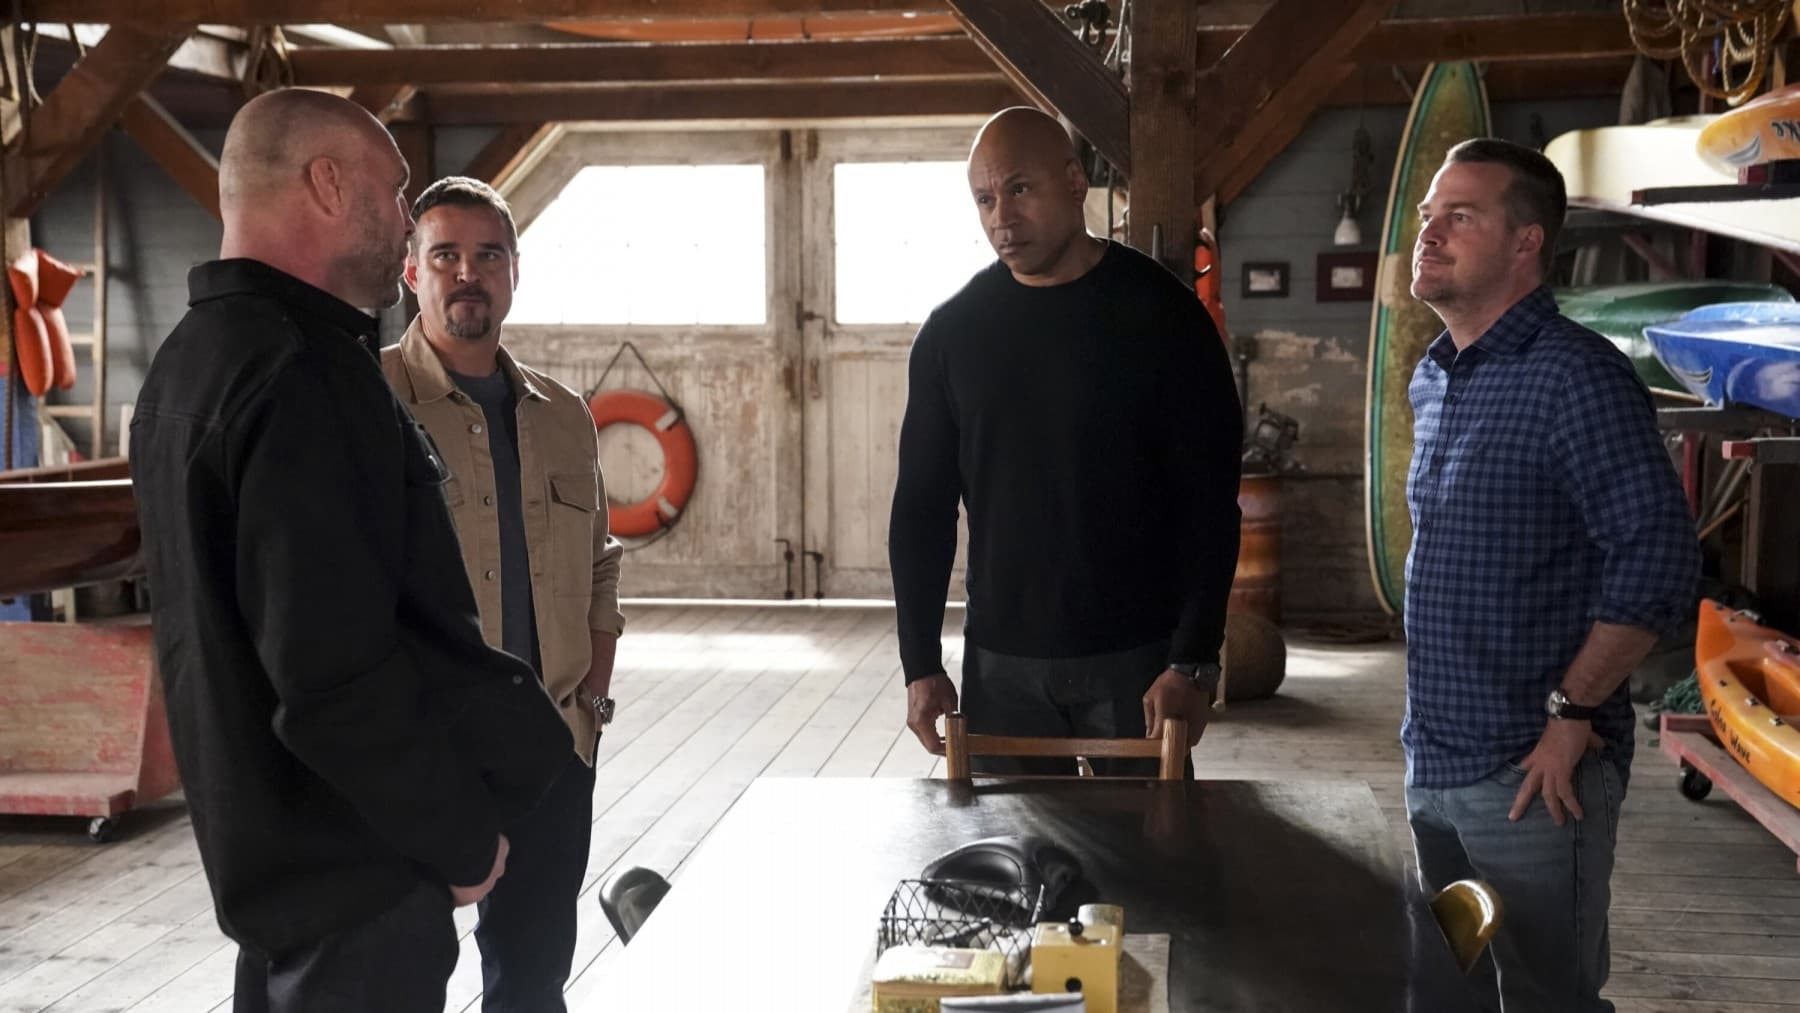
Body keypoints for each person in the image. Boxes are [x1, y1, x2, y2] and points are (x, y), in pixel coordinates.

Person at [130, 89, 570, 1013]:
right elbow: (333, 674)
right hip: (358, 881)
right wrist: (458, 836)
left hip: (274, 872)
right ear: (328, 184)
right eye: (395, 189)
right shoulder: (303, 376)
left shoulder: (190, 362)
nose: (406, 218)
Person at [1401, 138, 1699, 1011]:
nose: (1429, 233)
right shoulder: (1436, 375)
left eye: (1460, 216)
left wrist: (1573, 713)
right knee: (1449, 990)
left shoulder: (1578, 377)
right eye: (1428, 215)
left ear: (1526, 241)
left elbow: (1658, 558)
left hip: (1531, 776)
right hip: (1434, 765)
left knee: (1544, 998)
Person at [889, 107, 1242, 774]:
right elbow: (921, 511)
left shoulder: (1165, 317)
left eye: (1020, 189)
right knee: (1005, 842)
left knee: (1152, 842)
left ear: (1076, 182)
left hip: (1139, 658)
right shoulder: (952, 335)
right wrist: (920, 663)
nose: (1002, 217)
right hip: (1003, 664)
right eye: (985, 199)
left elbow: (1209, 503)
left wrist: (1193, 659)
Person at [384, 176, 625, 1011]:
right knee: (398, 978)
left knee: (533, 980)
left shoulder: (564, 415)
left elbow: (600, 564)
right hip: (424, 752)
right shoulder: (370, 402)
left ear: (514, 271)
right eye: (444, 254)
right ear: (410, 270)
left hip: (553, 744)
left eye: (488, 255)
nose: (468, 274)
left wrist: (593, 697)